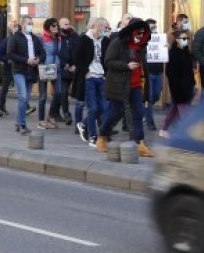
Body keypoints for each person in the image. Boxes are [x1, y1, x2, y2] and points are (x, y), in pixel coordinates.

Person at [100, 18, 154, 157]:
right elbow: (108, 61)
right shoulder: (117, 42)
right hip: (119, 85)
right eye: (138, 32)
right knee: (115, 113)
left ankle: (139, 143)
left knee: (138, 113)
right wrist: (126, 66)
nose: (141, 35)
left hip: (136, 85)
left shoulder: (142, 45)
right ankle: (103, 135)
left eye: (143, 33)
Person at [72, 18, 109, 147]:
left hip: (101, 77)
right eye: (102, 28)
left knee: (103, 107)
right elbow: (77, 58)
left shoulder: (105, 40)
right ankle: (93, 136)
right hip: (89, 78)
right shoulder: (85, 39)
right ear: (95, 26)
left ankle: (83, 124)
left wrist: (106, 73)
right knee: (92, 108)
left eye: (105, 28)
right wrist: (86, 72)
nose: (104, 31)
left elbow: (107, 58)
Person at [6, 17, 45, 135]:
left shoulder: (35, 38)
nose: (30, 26)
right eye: (28, 23)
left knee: (25, 98)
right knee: (23, 96)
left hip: (31, 71)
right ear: (22, 24)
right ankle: (22, 124)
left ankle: (19, 122)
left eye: (31, 24)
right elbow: (11, 54)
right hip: (19, 70)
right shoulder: (15, 37)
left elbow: (42, 53)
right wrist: (26, 60)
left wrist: (38, 59)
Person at [164, 29, 196, 136]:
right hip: (179, 88)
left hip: (188, 86)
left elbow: (189, 70)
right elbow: (170, 73)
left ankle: (164, 129)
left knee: (174, 109)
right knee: (184, 111)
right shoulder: (173, 53)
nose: (186, 40)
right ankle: (188, 133)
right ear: (177, 40)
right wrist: (178, 86)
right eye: (183, 39)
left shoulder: (186, 52)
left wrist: (192, 82)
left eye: (187, 38)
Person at [37, 18, 62, 130]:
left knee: (59, 93)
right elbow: (39, 52)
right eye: (53, 26)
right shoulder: (42, 38)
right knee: (43, 96)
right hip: (45, 67)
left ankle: (51, 115)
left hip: (55, 67)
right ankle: (41, 120)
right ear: (48, 27)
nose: (56, 27)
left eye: (56, 25)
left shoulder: (59, 38)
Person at [142, 18, 164, 134]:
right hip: (149, 72)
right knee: (149, 98)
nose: (153, 30)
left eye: (154, 27)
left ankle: (145, 111)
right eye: (151, 28)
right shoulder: (143, 41)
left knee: (156, 94)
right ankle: (150, 121)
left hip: (158, 71)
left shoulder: (159, 39)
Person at [55, 18, 77, 126]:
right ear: (60, 26)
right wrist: (64, 65)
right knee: (63, 92)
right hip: (63, 69)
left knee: (69, 92)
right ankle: (66, 113)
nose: (67, 26)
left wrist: (75, 65)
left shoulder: (74, 36)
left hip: (73, 68)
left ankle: (55, 112)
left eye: (69, 24)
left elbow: (78, 50)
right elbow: (57, 53)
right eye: (65, 24)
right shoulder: (57, 38)